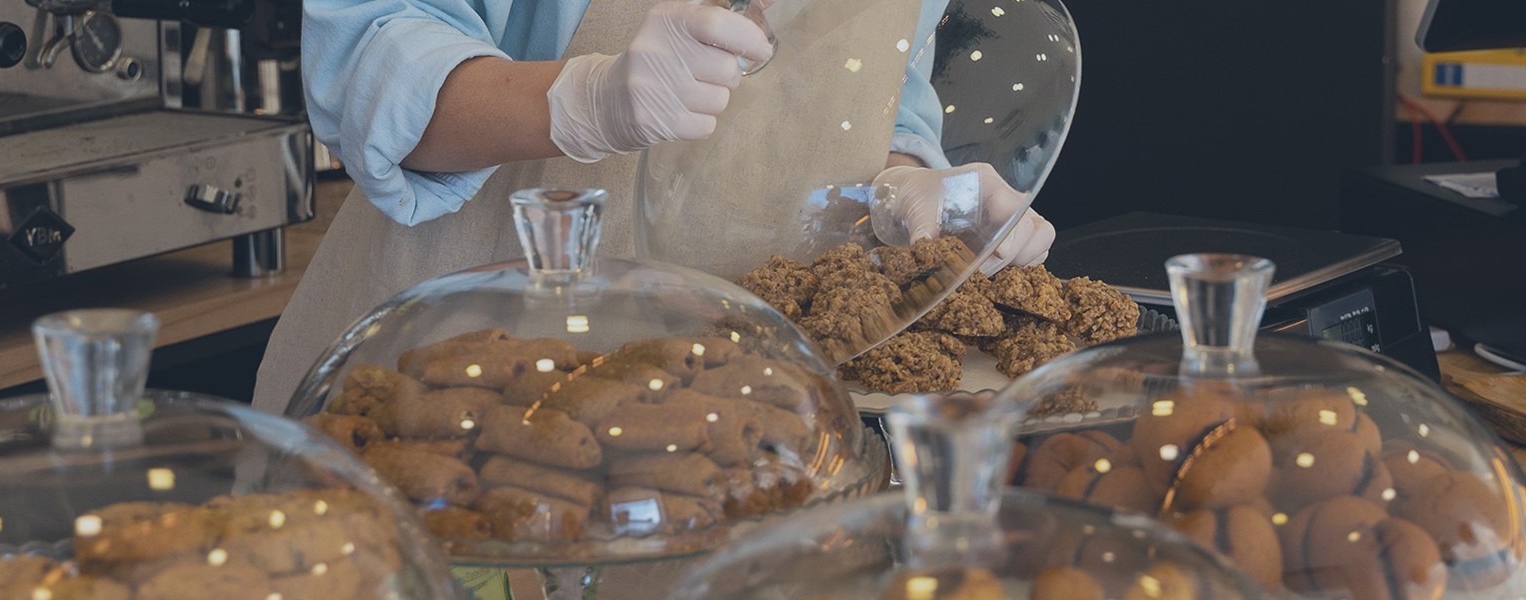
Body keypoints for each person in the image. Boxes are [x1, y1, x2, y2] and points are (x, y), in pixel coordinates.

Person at [258, 0, 1056, 416]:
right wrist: (582, 101)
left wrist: (903, 184)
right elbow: (371, 50)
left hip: (753, 412)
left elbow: (878, 91)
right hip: (459, 383)